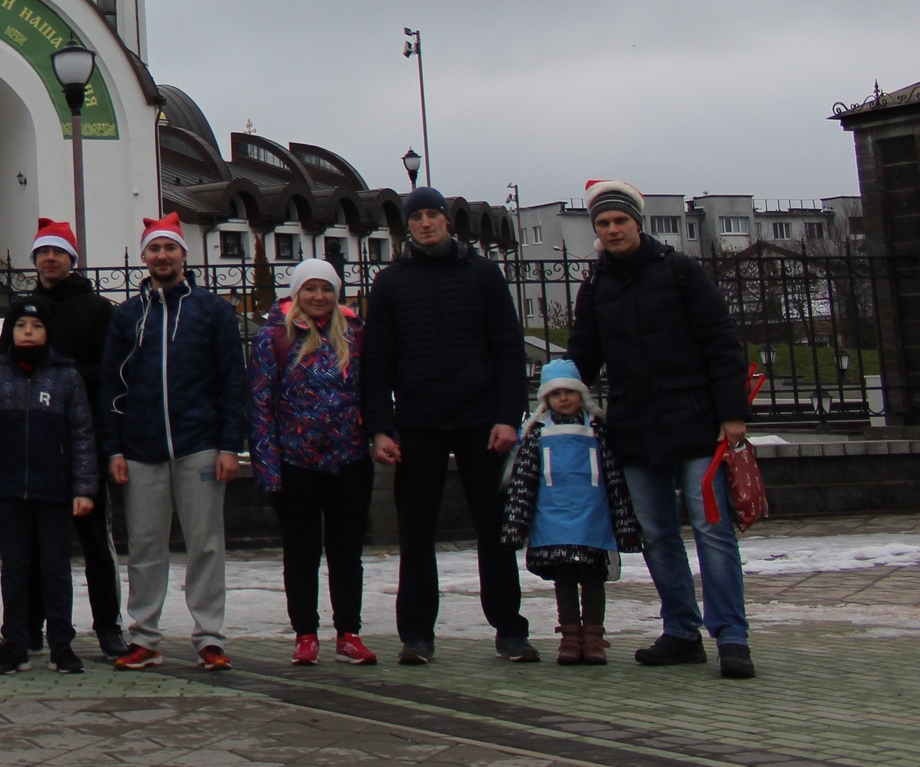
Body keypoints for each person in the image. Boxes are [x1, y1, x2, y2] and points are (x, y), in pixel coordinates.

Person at [567, 179, 757, 679]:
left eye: (619, 221)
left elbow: (721, 342)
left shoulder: (680, 272)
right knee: (656, 535)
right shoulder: (596, 287)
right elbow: (582, 357)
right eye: (603, 224)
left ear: (637, 223)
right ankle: (680, 631)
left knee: (713, 531)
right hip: (634, 428)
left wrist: (732, 414)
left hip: (695, 422)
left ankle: (732, 636)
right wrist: (554, 401)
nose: (611, 230)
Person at [359, 185, 536, 665]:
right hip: (418, 420)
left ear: (447, 222)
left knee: (494, 529)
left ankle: (509, 629)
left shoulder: (482, 275)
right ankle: (416, 635)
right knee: (415, 531)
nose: (426, 224)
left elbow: (507, 349)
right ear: (407, 227)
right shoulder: (392, 283)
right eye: (417, 218)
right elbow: (377, 363)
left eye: (433, 216)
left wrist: (507, 417)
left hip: (480, 419)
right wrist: (380, 428)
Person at [98, 215, 247, 672]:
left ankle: (210, 637)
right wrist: (115, 448)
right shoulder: (127, 316)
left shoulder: (212, 311)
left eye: (170, 248)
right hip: (141, 448)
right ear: (144, 257)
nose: (162, 256)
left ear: (184, 255)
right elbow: (111, 385)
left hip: (199, 443)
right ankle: (144, 636)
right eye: (154, 249)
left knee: (205, 543)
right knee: (145, 545)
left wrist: (229, 444)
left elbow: (232, 379)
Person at [4, 219, 125, 663]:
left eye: (58, 253)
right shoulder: (24, 309)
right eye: (42, 253)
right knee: (33, 545)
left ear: (72, 260)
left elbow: (108, 371)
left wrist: (62, 374)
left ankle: (108, 626)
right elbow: (5, 366)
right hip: (33, 444)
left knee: (94, 540)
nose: (49, 259)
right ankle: (29, 628)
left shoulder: (96, 310)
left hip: (81, 441)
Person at [249, 259, 377, 667]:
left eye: (326, 289)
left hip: (349, 458)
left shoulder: (355, 336)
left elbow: (372, 392)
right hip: (295, 461)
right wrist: (268, 465)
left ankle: (348, 632)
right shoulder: (273, 338)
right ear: (296, 294)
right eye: (310, 289)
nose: (318, 297)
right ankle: (305, 633)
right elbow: (259, 403)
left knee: (346, 550)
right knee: (301, 551)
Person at [0, 298, 99, 674]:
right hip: (9, 492)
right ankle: (17, 643)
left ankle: (61, 644)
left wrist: (84, 488)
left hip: (54, 491)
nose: (28, 332)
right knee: (15, 568)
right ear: (10, 332)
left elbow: (82, 434)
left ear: (47, 333)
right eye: (21, 326)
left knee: (55, 568)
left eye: (36, 326)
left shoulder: (66, 377)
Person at [501, 357, 643, 666]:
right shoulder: (537, 434)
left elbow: (615, 478)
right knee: (563, 579)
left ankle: (593, 638)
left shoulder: (598, 430)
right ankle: (569, 636)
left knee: (593, 578)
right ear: (545, 398)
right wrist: (516, 525)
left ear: (582, 394)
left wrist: (626, 525)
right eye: (555, 393)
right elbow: (523, 482)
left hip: (594, 519)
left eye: (569, 392)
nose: (563, 399)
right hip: (552, 521)